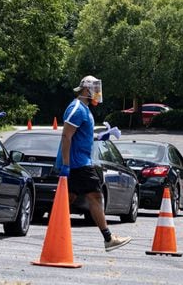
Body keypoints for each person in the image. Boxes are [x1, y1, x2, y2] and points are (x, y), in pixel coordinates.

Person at [58, 75, 132, 252]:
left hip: (81, 162)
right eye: (95, 90)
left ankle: (55, 233)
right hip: (79, 164)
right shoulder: (77, 108)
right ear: (86, 90)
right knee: (96, 197)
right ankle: (108, 238)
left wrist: (102, 136)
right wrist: (66, 165)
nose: (98, 94)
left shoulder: (85, 109)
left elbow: (82, 136)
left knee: (67, 199)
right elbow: (66, 136)